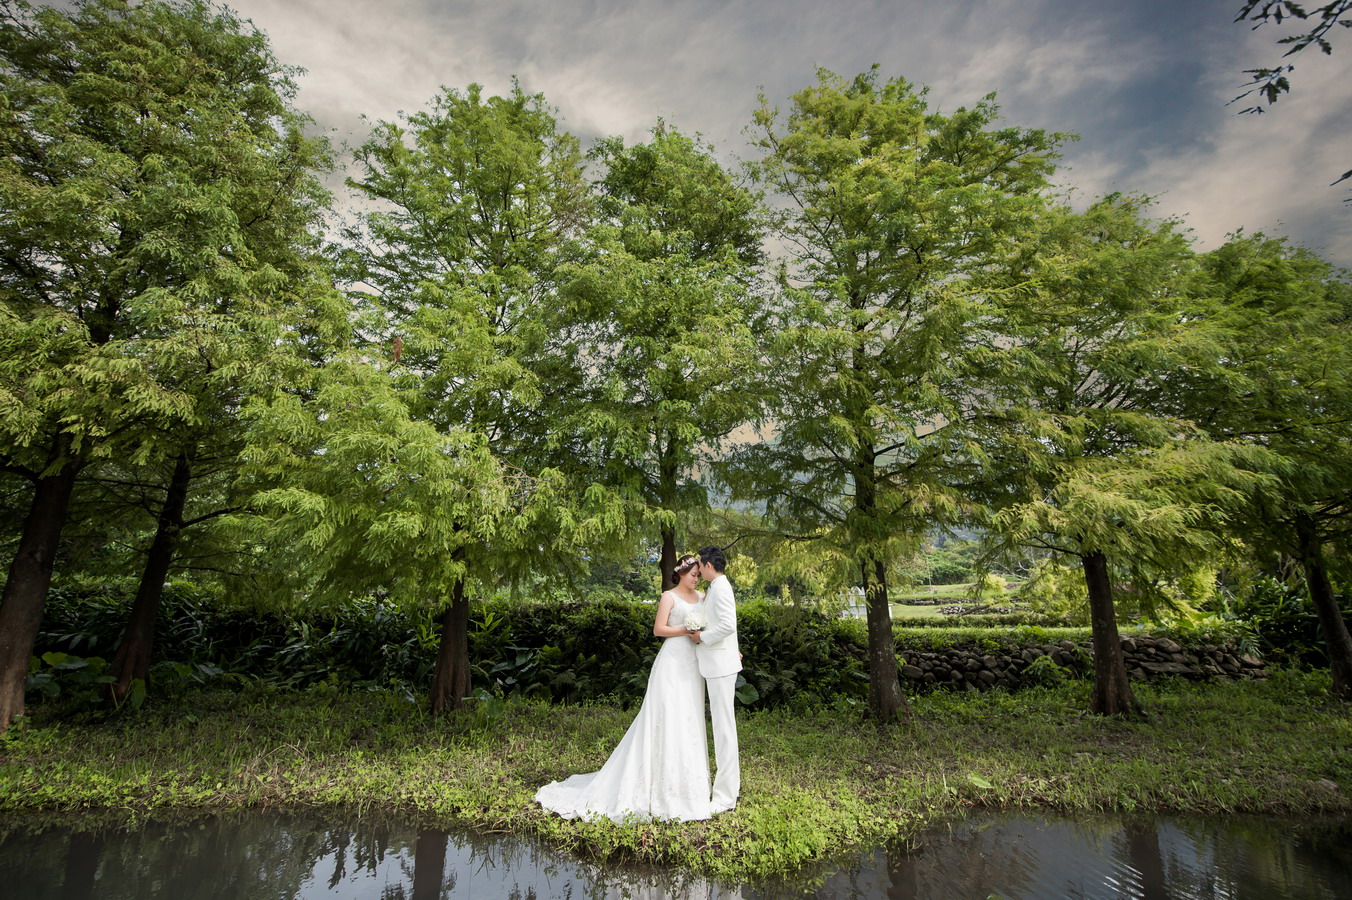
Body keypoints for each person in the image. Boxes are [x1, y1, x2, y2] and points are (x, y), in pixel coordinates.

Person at [534, 554, 713, 822]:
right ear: (680, 572)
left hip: (692, 663)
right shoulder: (669, 596)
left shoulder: (700, 598)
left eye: (698, 575)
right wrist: (686, 630)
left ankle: (688, 789)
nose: (695, 579)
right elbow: (658, 630)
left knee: (689, 718)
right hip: (672, 661)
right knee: (665, 716)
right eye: (692, 574)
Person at [691, 545, 740, 814]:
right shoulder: (716, 587)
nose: (698, 569)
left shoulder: (721, 588)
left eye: (700, 564)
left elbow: (727, 624)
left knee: (724, 731)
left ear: (709, 565)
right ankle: (727, 791)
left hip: (720, 666)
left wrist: (701, 637)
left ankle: (725, 798)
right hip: (719, 663)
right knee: (722, 730)